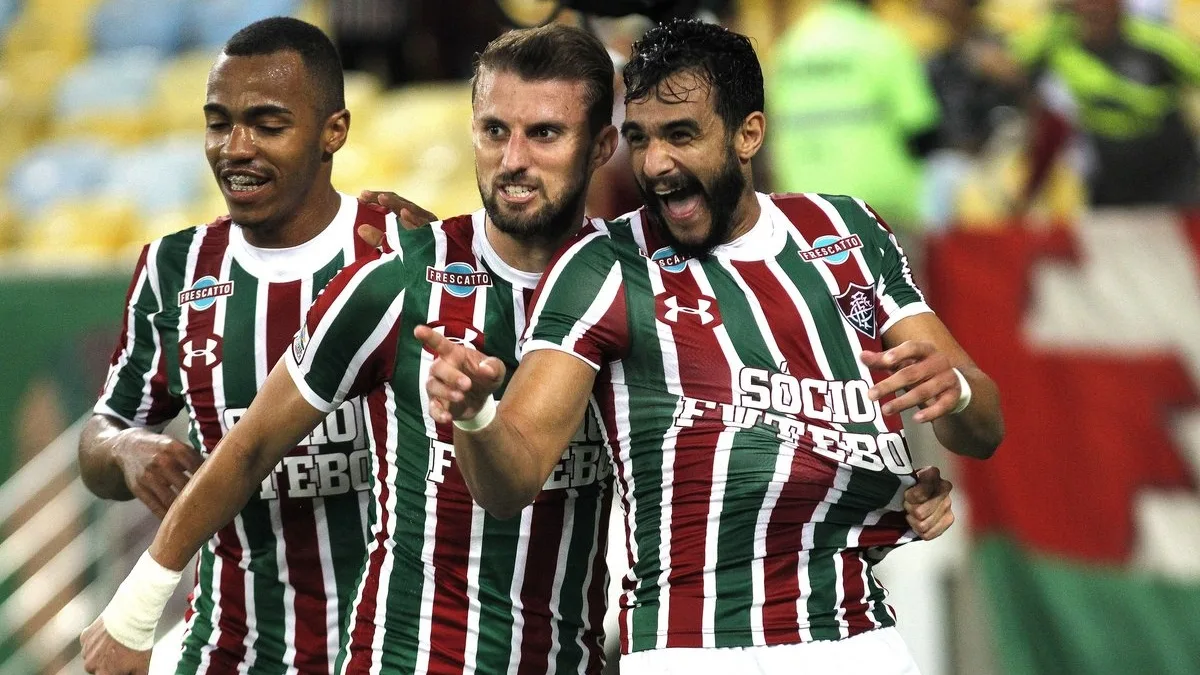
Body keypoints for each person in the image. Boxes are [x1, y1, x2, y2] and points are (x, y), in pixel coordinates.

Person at [81, 22, 958, 675]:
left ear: (602, 144)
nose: (513, 160)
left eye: (544, 134)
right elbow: (252, 444)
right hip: (413, 656)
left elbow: (760, 435)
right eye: (494, 131)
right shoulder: (402, 278)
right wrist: (137, 608)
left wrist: (890, 489)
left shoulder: (646, 287)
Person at [420, 18, 1001, 674]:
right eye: (639, 139)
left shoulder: (846, 230)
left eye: (682, 135)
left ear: (748, 133)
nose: (656, 165)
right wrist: (475, 411)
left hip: (857, 635)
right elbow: (512, 479)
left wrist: (951, 389)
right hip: (692, 647)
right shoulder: (603, 264)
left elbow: (982, 426)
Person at [77, 17, 407, 674]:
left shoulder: (400, 248)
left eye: (268, 124)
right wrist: (125, 448)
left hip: (392, 647)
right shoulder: (175, 269)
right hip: (232, 647)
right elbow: (97, 440)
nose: (236, 147)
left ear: (333, 131)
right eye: (218, 121)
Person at [764, 0, 941, 229]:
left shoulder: (789, 47)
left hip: (804, 201)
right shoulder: (881, 41)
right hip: (879, 204)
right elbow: (920, 127)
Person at [1013, 0, 1200, 208]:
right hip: (1108, 169)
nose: (1094, 9)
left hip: (1171, 165)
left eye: (1103, 3)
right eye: (1086, 3)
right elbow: (1008, 65)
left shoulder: (1157, 41)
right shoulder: (1059, 41)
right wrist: (1053, 17)